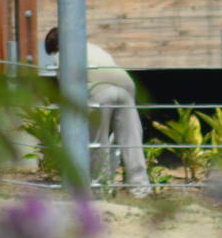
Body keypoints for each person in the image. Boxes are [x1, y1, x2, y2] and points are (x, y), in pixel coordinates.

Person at [44, 28, 150, 197]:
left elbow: (68, 90)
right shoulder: (95, 48)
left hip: (100, 92)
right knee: (132, 142)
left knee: (97, 143)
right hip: (126, 90)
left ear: (56, 45)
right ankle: (141, 190)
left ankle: (99, 190)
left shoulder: (64, 55)